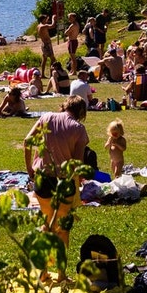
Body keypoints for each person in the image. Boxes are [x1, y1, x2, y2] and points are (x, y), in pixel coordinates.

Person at [23, 96, 90, 247]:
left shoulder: (46, 117)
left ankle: (43, 268)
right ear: (81, 112)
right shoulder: (79, 129)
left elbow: (27, 141)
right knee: (62, 228)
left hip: (43, 180)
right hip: (64, 183)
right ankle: (60, 271)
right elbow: (77, 163)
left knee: (47, 223)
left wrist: (29, 168)